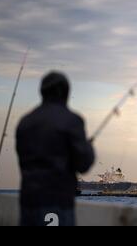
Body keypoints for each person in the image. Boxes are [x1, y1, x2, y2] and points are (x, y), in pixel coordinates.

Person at [16, 71, 95, 226]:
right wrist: (88, 147)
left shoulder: (24, 122)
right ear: (63, 92)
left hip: (27, 202)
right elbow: (83, 164)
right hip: (57, 203)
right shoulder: (72, 120)